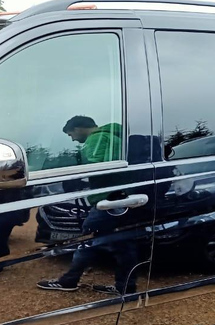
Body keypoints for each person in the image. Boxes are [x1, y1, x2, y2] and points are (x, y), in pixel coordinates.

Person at [37, 115, 139, 294]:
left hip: (107, 201)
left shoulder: (96, 138)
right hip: (121, 197)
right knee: (123, 244)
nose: (73, 139)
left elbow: (94, 166)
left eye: (71, 134)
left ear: (78, 128)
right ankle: (126, 286)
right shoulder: (115, 137)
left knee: (88, 238)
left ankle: (69, 280)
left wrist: (72, 169)